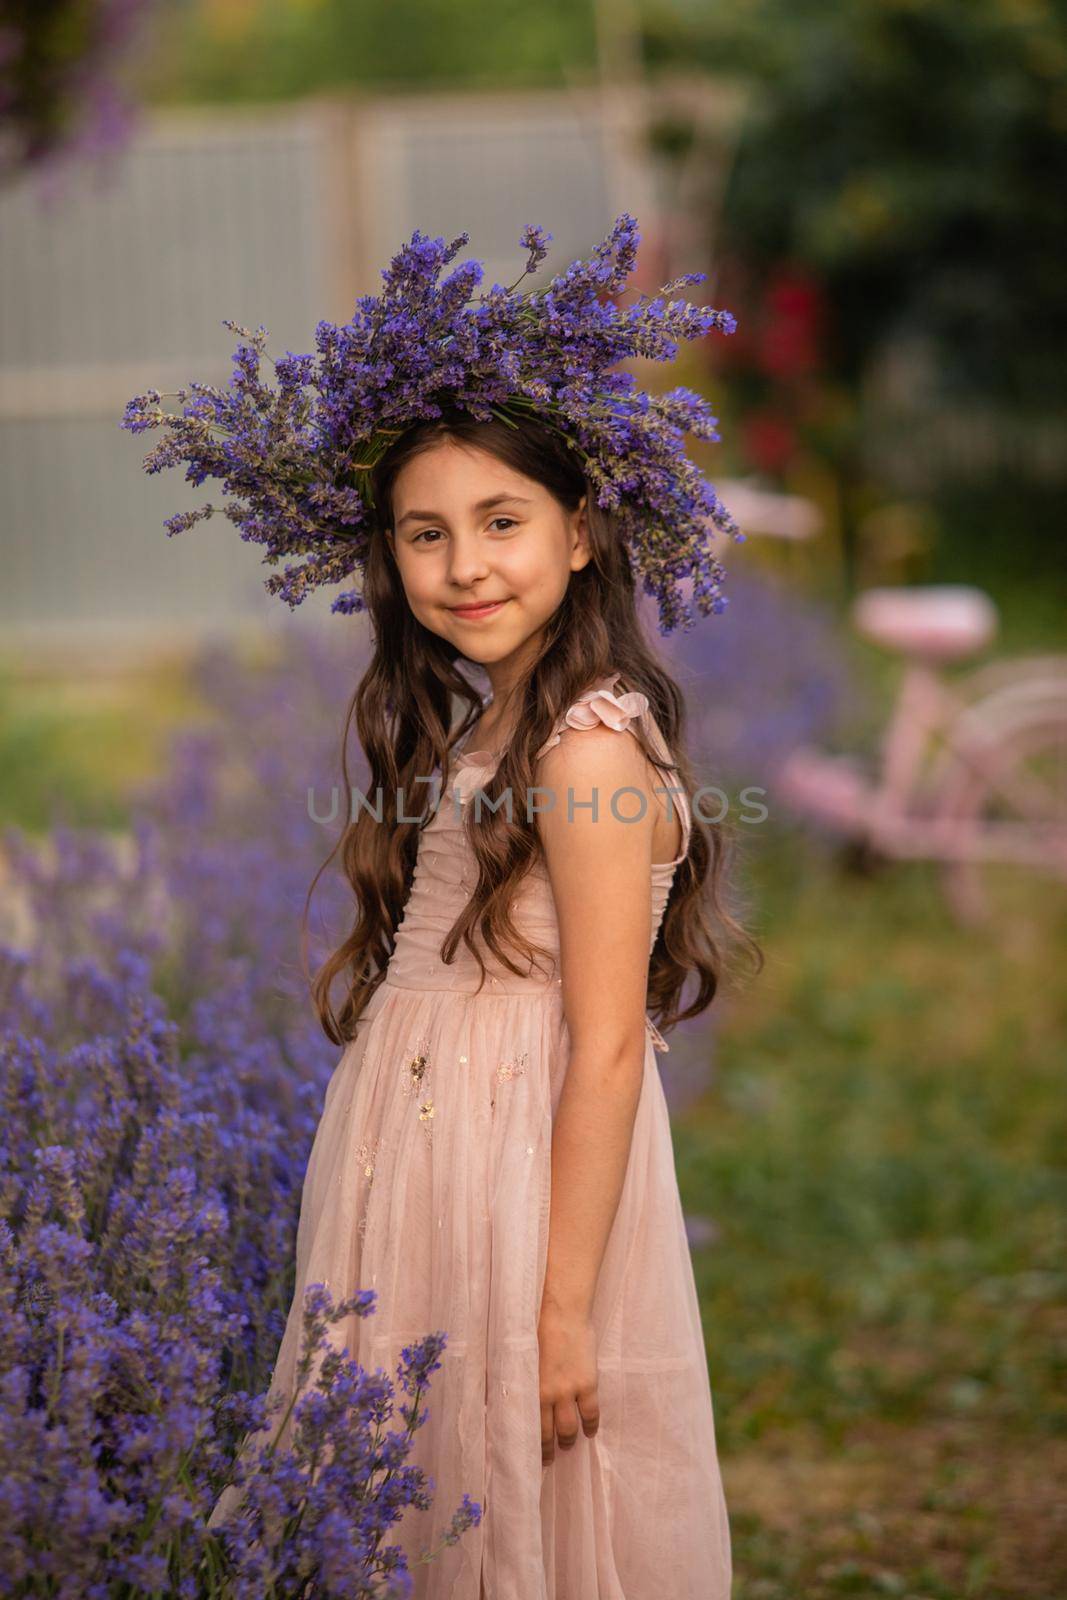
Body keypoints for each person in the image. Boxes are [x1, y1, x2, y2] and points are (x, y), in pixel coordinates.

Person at [136, 218, 759, 1597]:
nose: (465, 566)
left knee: (507, 1483)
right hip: (428, 1146)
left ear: (583, 533)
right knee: (422, 1481)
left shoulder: (588, 749)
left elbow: (603, 1043)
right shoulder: (494, 728)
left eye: (502, 523)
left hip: (510, 1166)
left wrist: (559, 1309)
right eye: (428, 534)